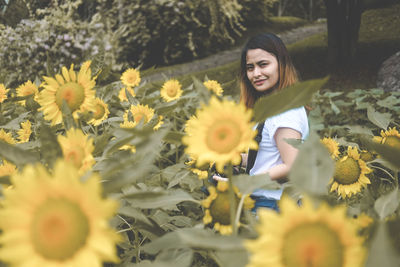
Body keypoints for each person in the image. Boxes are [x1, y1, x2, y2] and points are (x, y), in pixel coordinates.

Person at [214, 33, 309, 211]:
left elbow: (291, 165)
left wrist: (244, 183)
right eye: (250, 68)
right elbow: (270, 158)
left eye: (263, 64)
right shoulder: (274, 106)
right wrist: (235, 159)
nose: (256, 73)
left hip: (274, 205)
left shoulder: (285, 111)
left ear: (281, 64)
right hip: (266, 201)